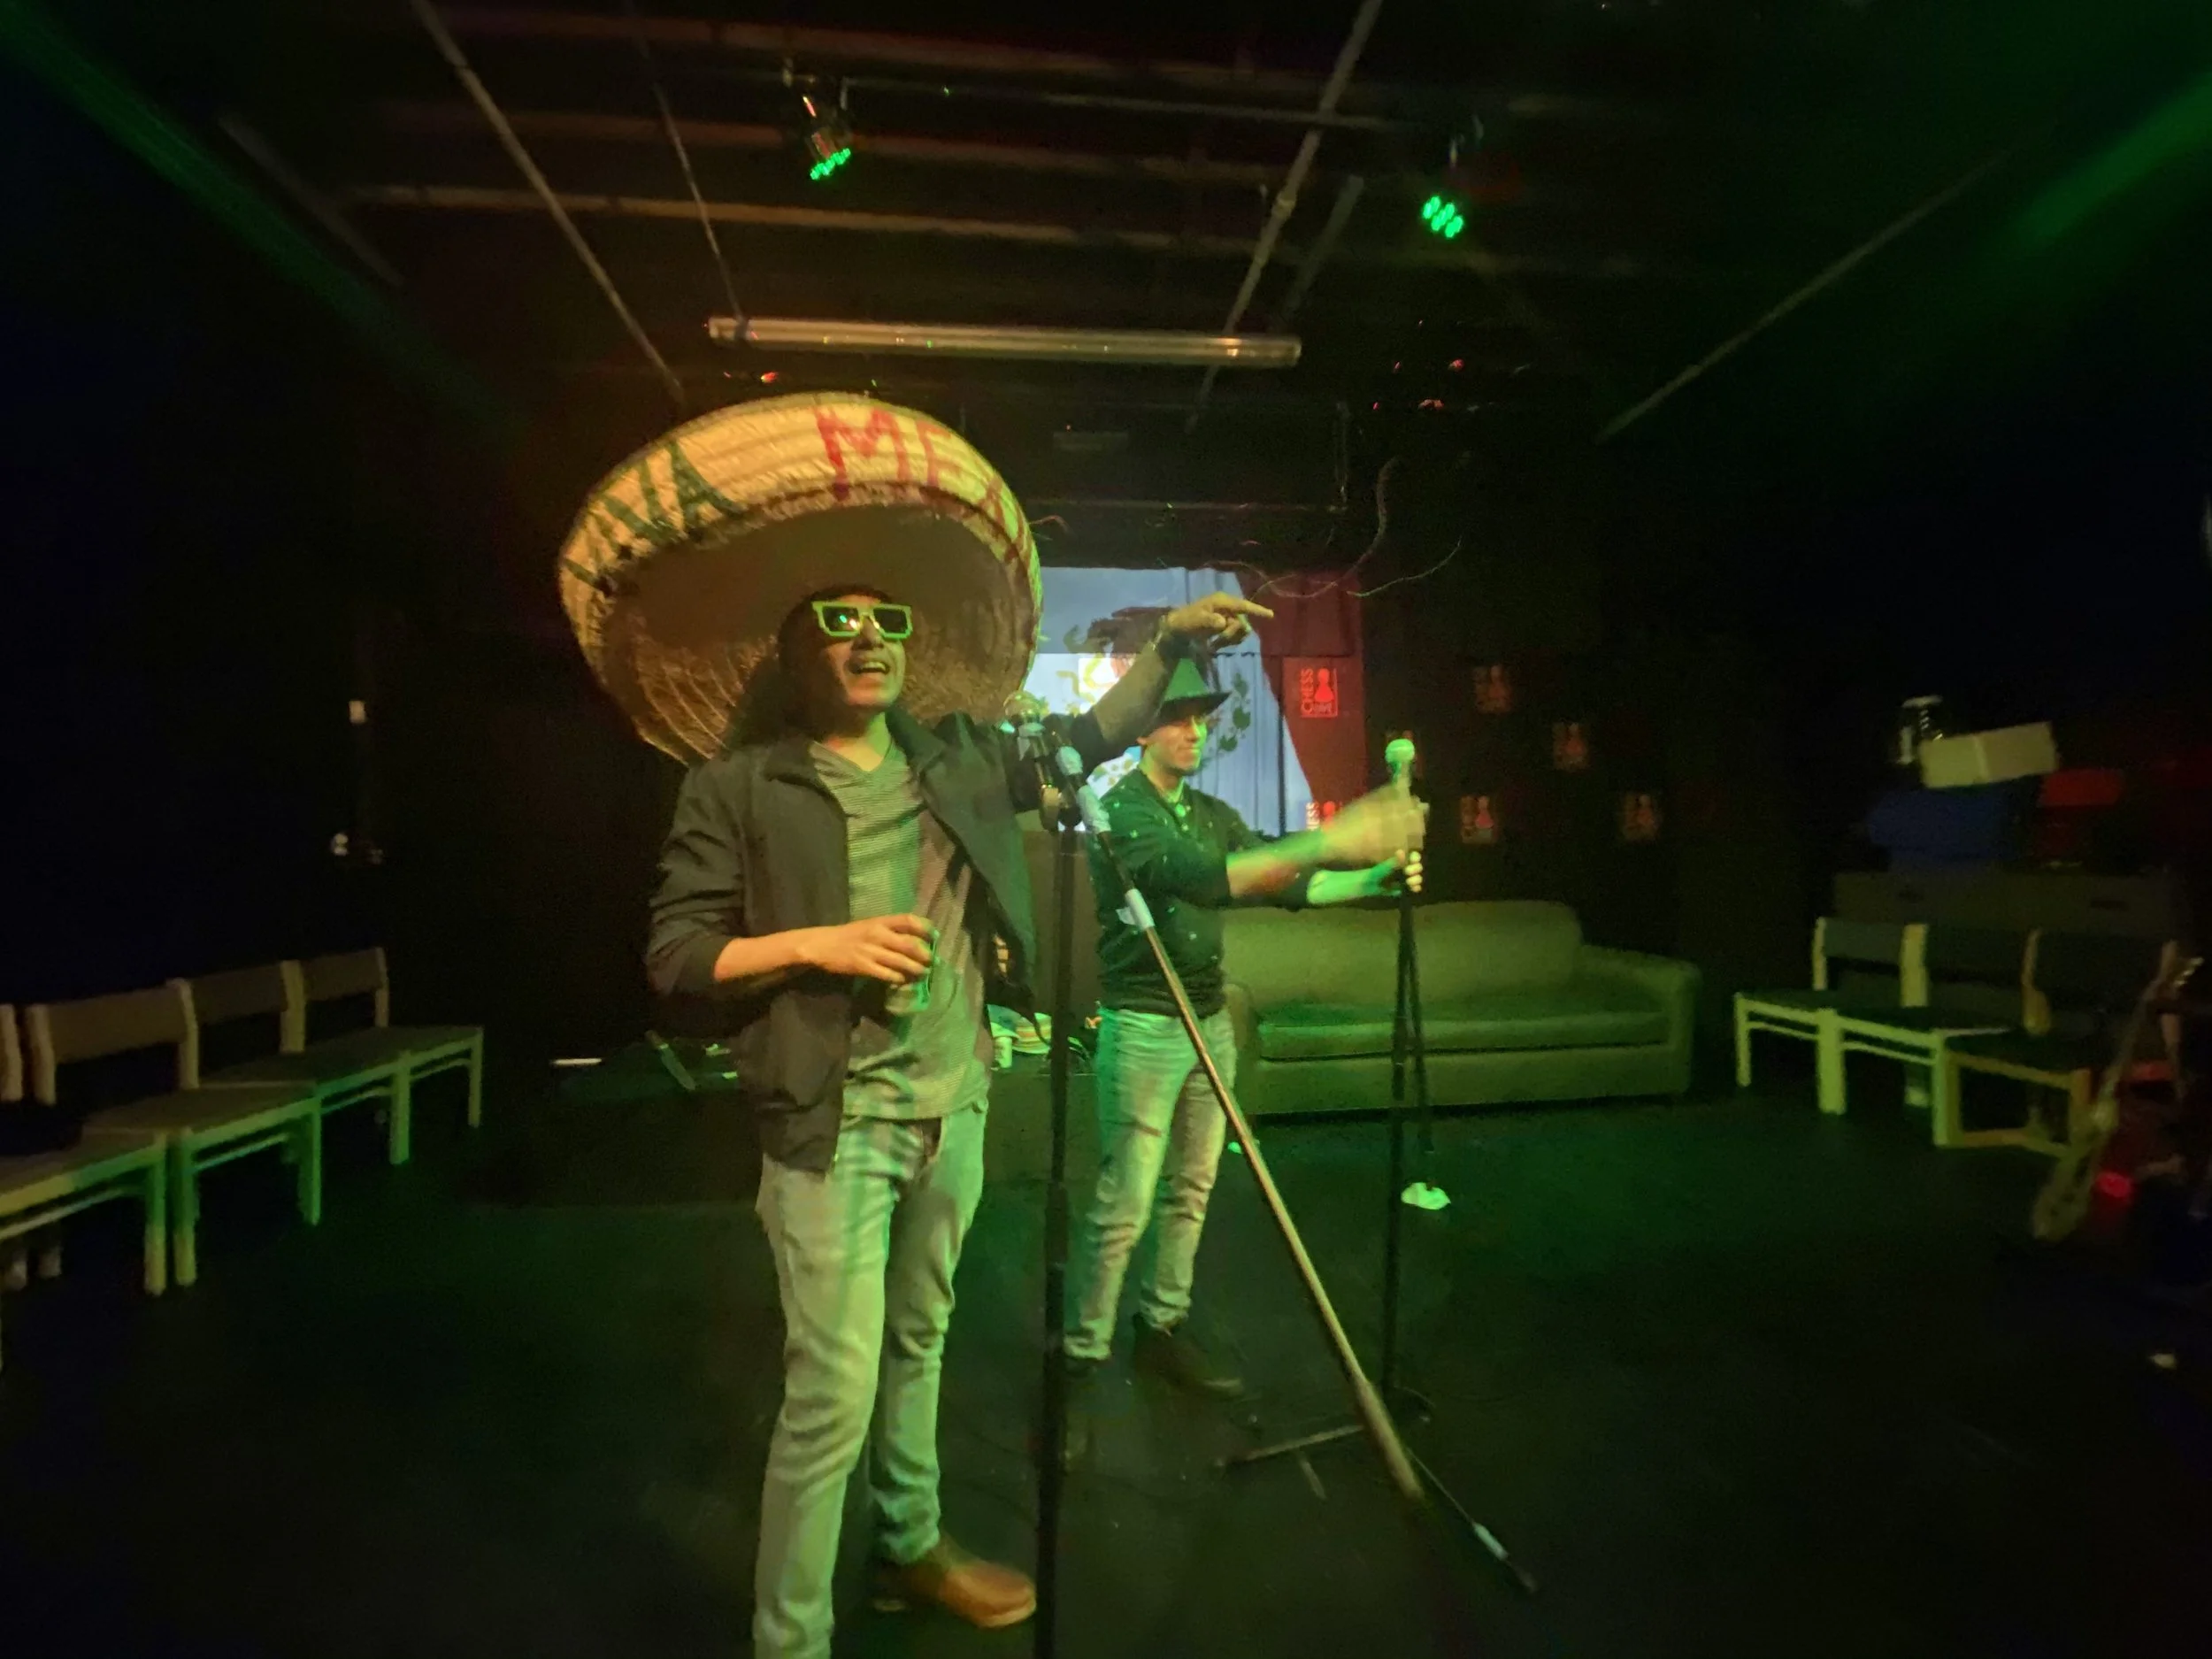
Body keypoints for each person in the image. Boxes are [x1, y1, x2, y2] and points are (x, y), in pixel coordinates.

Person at [648, 585, 1271, 1659]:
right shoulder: (740, 785)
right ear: (796, 654)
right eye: (840, 622)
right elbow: (676, 955)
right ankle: (790, 1640)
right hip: (831, 1124)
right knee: (829, 1397)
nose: (870, 639)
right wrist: (821, 944)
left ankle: (908, 1544)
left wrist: (1169, 643)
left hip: (954, 1105)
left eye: (890, 621)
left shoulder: (959, 763)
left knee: (920, 1338)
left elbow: (1092, 735)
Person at [1063, 658, 1425, 1460]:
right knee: (1126, 1201)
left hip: (1207, 1021)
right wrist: (1339, 833)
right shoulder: (1120, 811)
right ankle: (1079, 1364)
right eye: (1178, 716)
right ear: (1141, 731)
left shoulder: (1209, 811)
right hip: (1145, 1026)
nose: (1194, 730)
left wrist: (1370, 876)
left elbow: (1283, 883)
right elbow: (1209, 878)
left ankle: (1161, 1325)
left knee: (1192, 1186)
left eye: (1201, 718)